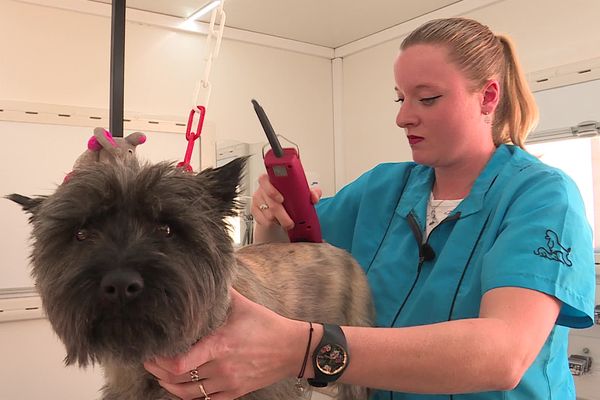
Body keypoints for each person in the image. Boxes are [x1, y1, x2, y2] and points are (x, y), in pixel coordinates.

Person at [144, 17, 596, 400]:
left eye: (428, 98)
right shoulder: (382, 188)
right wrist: (272, 221)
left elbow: (504, 354)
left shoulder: (542, 198)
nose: (403, 117)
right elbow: (295, 263)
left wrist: (302, 351)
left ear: (488, 97)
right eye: (400, 98)